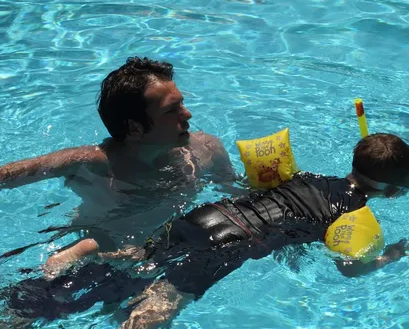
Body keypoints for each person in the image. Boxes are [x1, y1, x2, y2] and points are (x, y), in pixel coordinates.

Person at [43, 133, 409, 329]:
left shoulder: (310, 178)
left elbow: (249, 191)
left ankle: (92, 250)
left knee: (145, 254)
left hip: (212, 215)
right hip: (231, 244)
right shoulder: (352, 216)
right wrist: (393, 256)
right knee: (164, 302)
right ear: (392, 192)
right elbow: (350, 268)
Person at [0, 57, 236, 258]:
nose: (187, 114)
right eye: (171, 110)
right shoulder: (93, 163)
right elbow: (9, 175)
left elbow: (233, 196)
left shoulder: (208, 150)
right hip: (99, 246)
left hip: (156, 252)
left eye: (181, 103)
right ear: (135, 129)